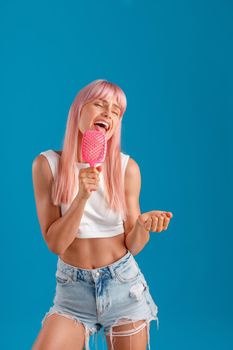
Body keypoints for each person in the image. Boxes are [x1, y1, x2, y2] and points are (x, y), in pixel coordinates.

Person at [31, 79, 173, 350]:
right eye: (100, 104)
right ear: (78, 110)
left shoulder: (126, 168)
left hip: (123, 287)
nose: (109, 113)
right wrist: (81, 196)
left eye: (116, 111)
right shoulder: (47, 165)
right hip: (72, 292)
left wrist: (143, 225)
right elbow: (55, 244)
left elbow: (134, 245)